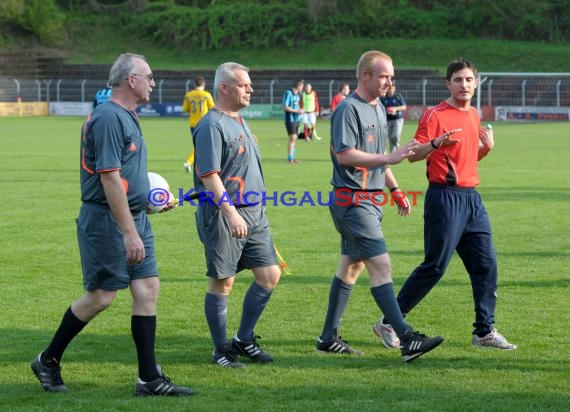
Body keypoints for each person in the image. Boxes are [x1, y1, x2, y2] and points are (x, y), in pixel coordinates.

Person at [30, 53, 193, 396]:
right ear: (130, 79)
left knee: (147, 290)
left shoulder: (129, 115)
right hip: (106, 221)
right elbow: (109, 179)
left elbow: (128, 177)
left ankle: (149, 379)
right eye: (148, 76)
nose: (153, 82)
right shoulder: (107, 117)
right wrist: (129, 231)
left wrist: (145, 205)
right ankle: (47, 360)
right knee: (102, 296)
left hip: (132, 218)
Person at [375, 58, 517, 351]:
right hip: (444, 198)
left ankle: (484, 331)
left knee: (486, 265)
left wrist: (486, 148)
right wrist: (436, 144)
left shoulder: (473, 115)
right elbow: (414, 155)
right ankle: (389, 322)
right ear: (447, 84)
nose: (463, 85)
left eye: (468, 80)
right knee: (436, 265)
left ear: (476, 83)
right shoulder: (435, 115)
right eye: (458, 80)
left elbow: (466, 159)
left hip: (472, 200)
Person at [316, 50, 445, 363]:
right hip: (352, 201)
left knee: (352, 266)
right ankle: (406, 338)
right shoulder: (349, 109)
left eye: (392, 75)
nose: (390, 81)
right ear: (366, 77)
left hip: (370, 200)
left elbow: (379, 155)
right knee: (381, 265)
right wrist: (390, 158)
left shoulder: (378, 108)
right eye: (385, 76)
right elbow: (344, 154)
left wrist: (395, 188)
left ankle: (328, 337)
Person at [193, 62, 281, 368]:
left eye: (250, 84)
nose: (250, 89)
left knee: (270, 275)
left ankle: (243, 339)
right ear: (225, 88)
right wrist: (230, 213)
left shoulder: (240, 121)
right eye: (244, 84)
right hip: (225, 215)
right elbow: (209, 174)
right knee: (223, 282)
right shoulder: (210, 125)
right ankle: (221, 350)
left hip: (255, 214)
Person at [182, 76, 215, 172]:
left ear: (194, 84)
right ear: (203, 84)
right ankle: (189, 162)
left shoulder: (189, 95)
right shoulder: (206, 95)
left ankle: (192, 163)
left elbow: (184, 109)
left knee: (201, 145)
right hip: (203, 124)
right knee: (202, 145)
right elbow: (213, 108)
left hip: (192, 124)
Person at [282, 79, 304, 164]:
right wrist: (297, 111)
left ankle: (293, 157)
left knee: (294, 139)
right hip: (290, 120)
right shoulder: (288, 93)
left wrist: (300, 110)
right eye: (302, 86)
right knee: (293, 138)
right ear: (298, 86)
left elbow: (296, 106)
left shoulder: (297, 95)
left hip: (297, 120)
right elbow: (285, 107)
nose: (302, 88)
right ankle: (290, 158)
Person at [380, 84, 407, 153]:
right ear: (388, 89)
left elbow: (404, 107)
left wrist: (395, 109)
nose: (391, 90)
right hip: (388, 120)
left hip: (398, 119)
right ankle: (393, 154)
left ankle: (397, 145)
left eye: (392, 88)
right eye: (390, 88)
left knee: (395, 136)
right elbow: (380, 108)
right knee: (390, 137)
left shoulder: (398, 96)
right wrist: (387, 111)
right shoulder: (383, 98)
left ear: (394, 89)